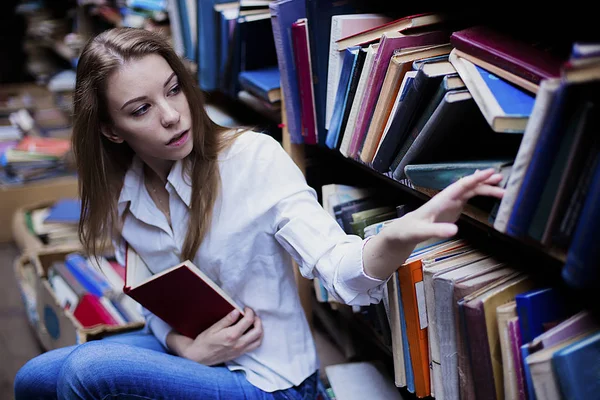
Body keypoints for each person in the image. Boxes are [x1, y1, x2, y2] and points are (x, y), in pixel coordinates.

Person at [14, 27, 505, 400]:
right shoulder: (125, 191)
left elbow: (338, 268)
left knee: (86, 374)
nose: (170, 115)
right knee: (32, 378)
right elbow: (153, 300)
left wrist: (398, 237)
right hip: (193, 353)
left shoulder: (253, 159)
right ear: (112, 130)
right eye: (140, 109)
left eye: (172, 89)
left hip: (271, 379)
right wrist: (186, 348)